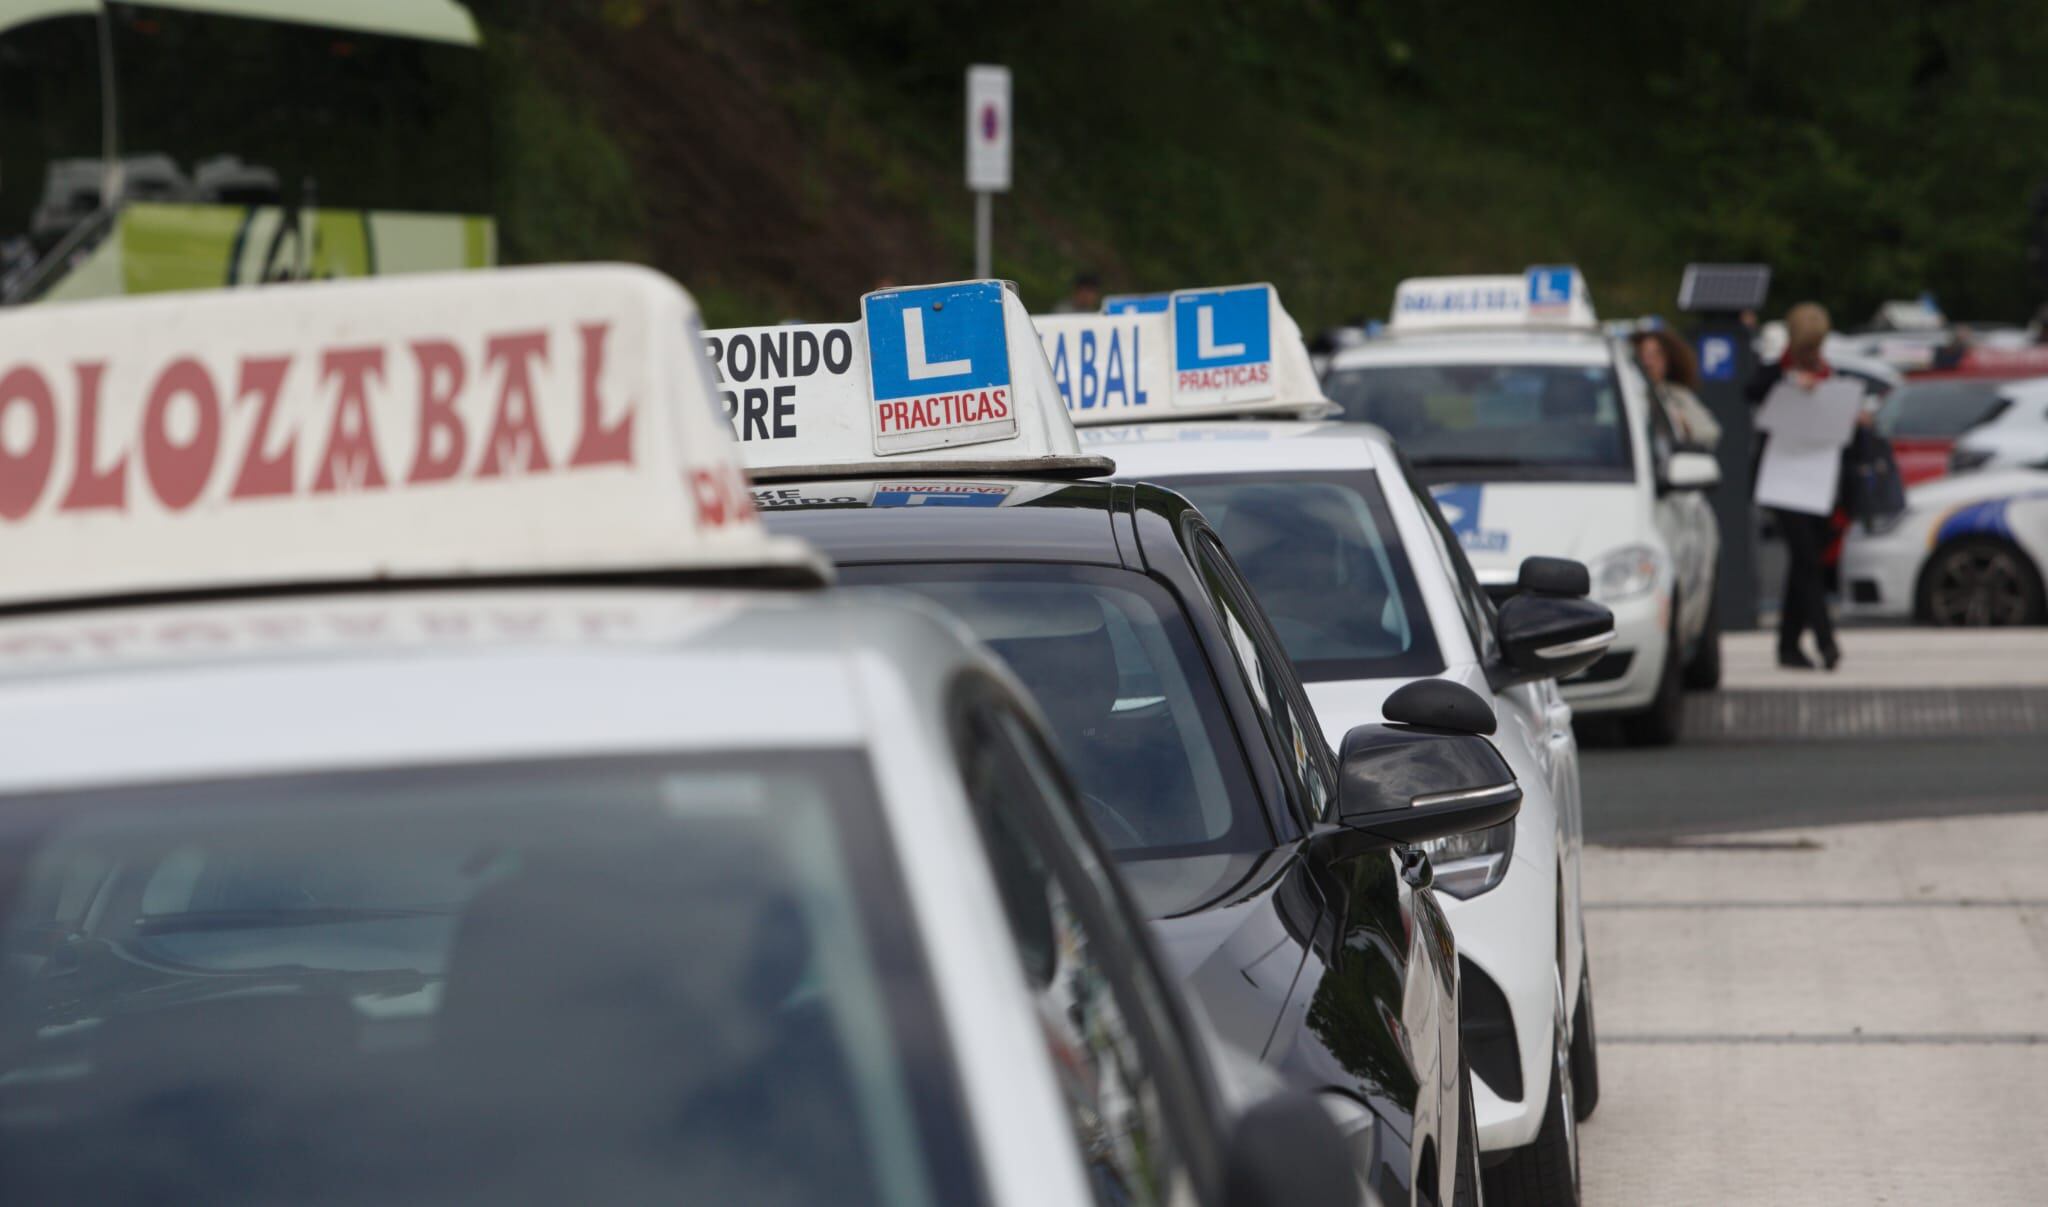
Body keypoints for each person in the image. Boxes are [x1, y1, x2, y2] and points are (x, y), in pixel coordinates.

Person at [1746, 302, 1867, 671]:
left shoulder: (1833, 376)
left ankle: (1788, 645)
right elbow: (1751, 391)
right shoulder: (1775, 373)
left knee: (1804, 565)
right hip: (1783, 481)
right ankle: (1826, 640)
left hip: (1820, 482)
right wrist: (1790, 381)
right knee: (1807, 562)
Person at [1632, 328, 1722, 450]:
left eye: (1656, 355)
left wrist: (1685, 425)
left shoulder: (1677, 395)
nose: (1648, 362)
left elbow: (1710, 434)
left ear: (1669, 360)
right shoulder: (1623, 392)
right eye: (1643, 354)